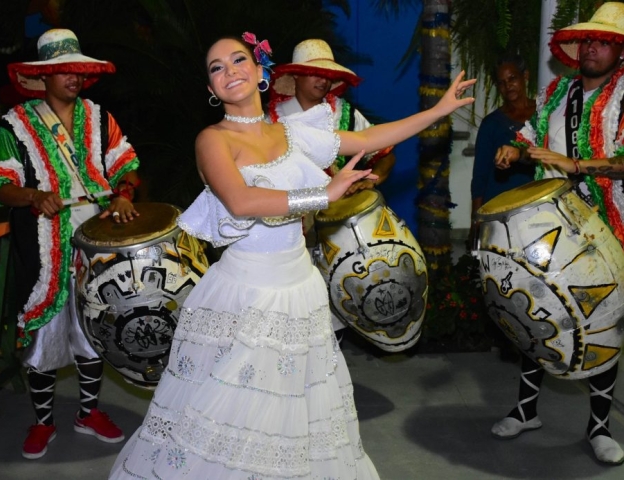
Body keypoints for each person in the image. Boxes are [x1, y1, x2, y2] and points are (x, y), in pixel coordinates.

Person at [109, 32, 474, 479]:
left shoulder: (294, 133)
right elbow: (241, 203)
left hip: (300, 289)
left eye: (238, 60)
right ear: (211, 89)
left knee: (295, 409)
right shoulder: (213, 140)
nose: (229, 71)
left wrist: (436, 112)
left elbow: (372, 137)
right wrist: (322, 193)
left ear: (261, 73)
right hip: (246, 294)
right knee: (235, 413)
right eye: (216, 67)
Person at [0, 29, 140, 460]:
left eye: (78, 69)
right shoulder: (15, 124)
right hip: (42, 240)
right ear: (44, 76)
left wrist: (124, 193)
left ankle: (88, 412)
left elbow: (125, 164)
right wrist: (33, 196)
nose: (73, 76)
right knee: (44, 334)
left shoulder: (99, 117)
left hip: (95, 236)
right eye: (63, 69)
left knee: (94, 325)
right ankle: (42, 422)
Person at [494, 2, 624, 465]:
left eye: (603, 42)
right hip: (550, 226)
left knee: (601, 323)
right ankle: (527, 410)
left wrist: (577, 166)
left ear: (619, 51)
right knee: (538, 312)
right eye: (587, 40)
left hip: (607, 229)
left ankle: (599, 427)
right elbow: (531, 138)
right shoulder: (556, 93)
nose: (591, 47)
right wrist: (514, 149)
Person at [269, 39, 397, 339]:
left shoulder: (345, 114)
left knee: (337, 297)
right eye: (314, 72)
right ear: (296, 77)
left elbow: (386, 153)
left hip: (337, 226)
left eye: (327, 74)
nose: (323, 79)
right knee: (294, 307)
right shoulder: (273, 120)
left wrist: (371, 179)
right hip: (289, 229)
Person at [470, 54, 536, 362]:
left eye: (513, 78)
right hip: (501, 215)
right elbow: (480, 175)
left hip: (536, 212)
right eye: (502, 81)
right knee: (506, 279)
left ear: (525, 77)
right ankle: (512, 337)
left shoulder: (543, 115)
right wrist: (477, 220)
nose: (508, 86)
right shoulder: (492, 123)